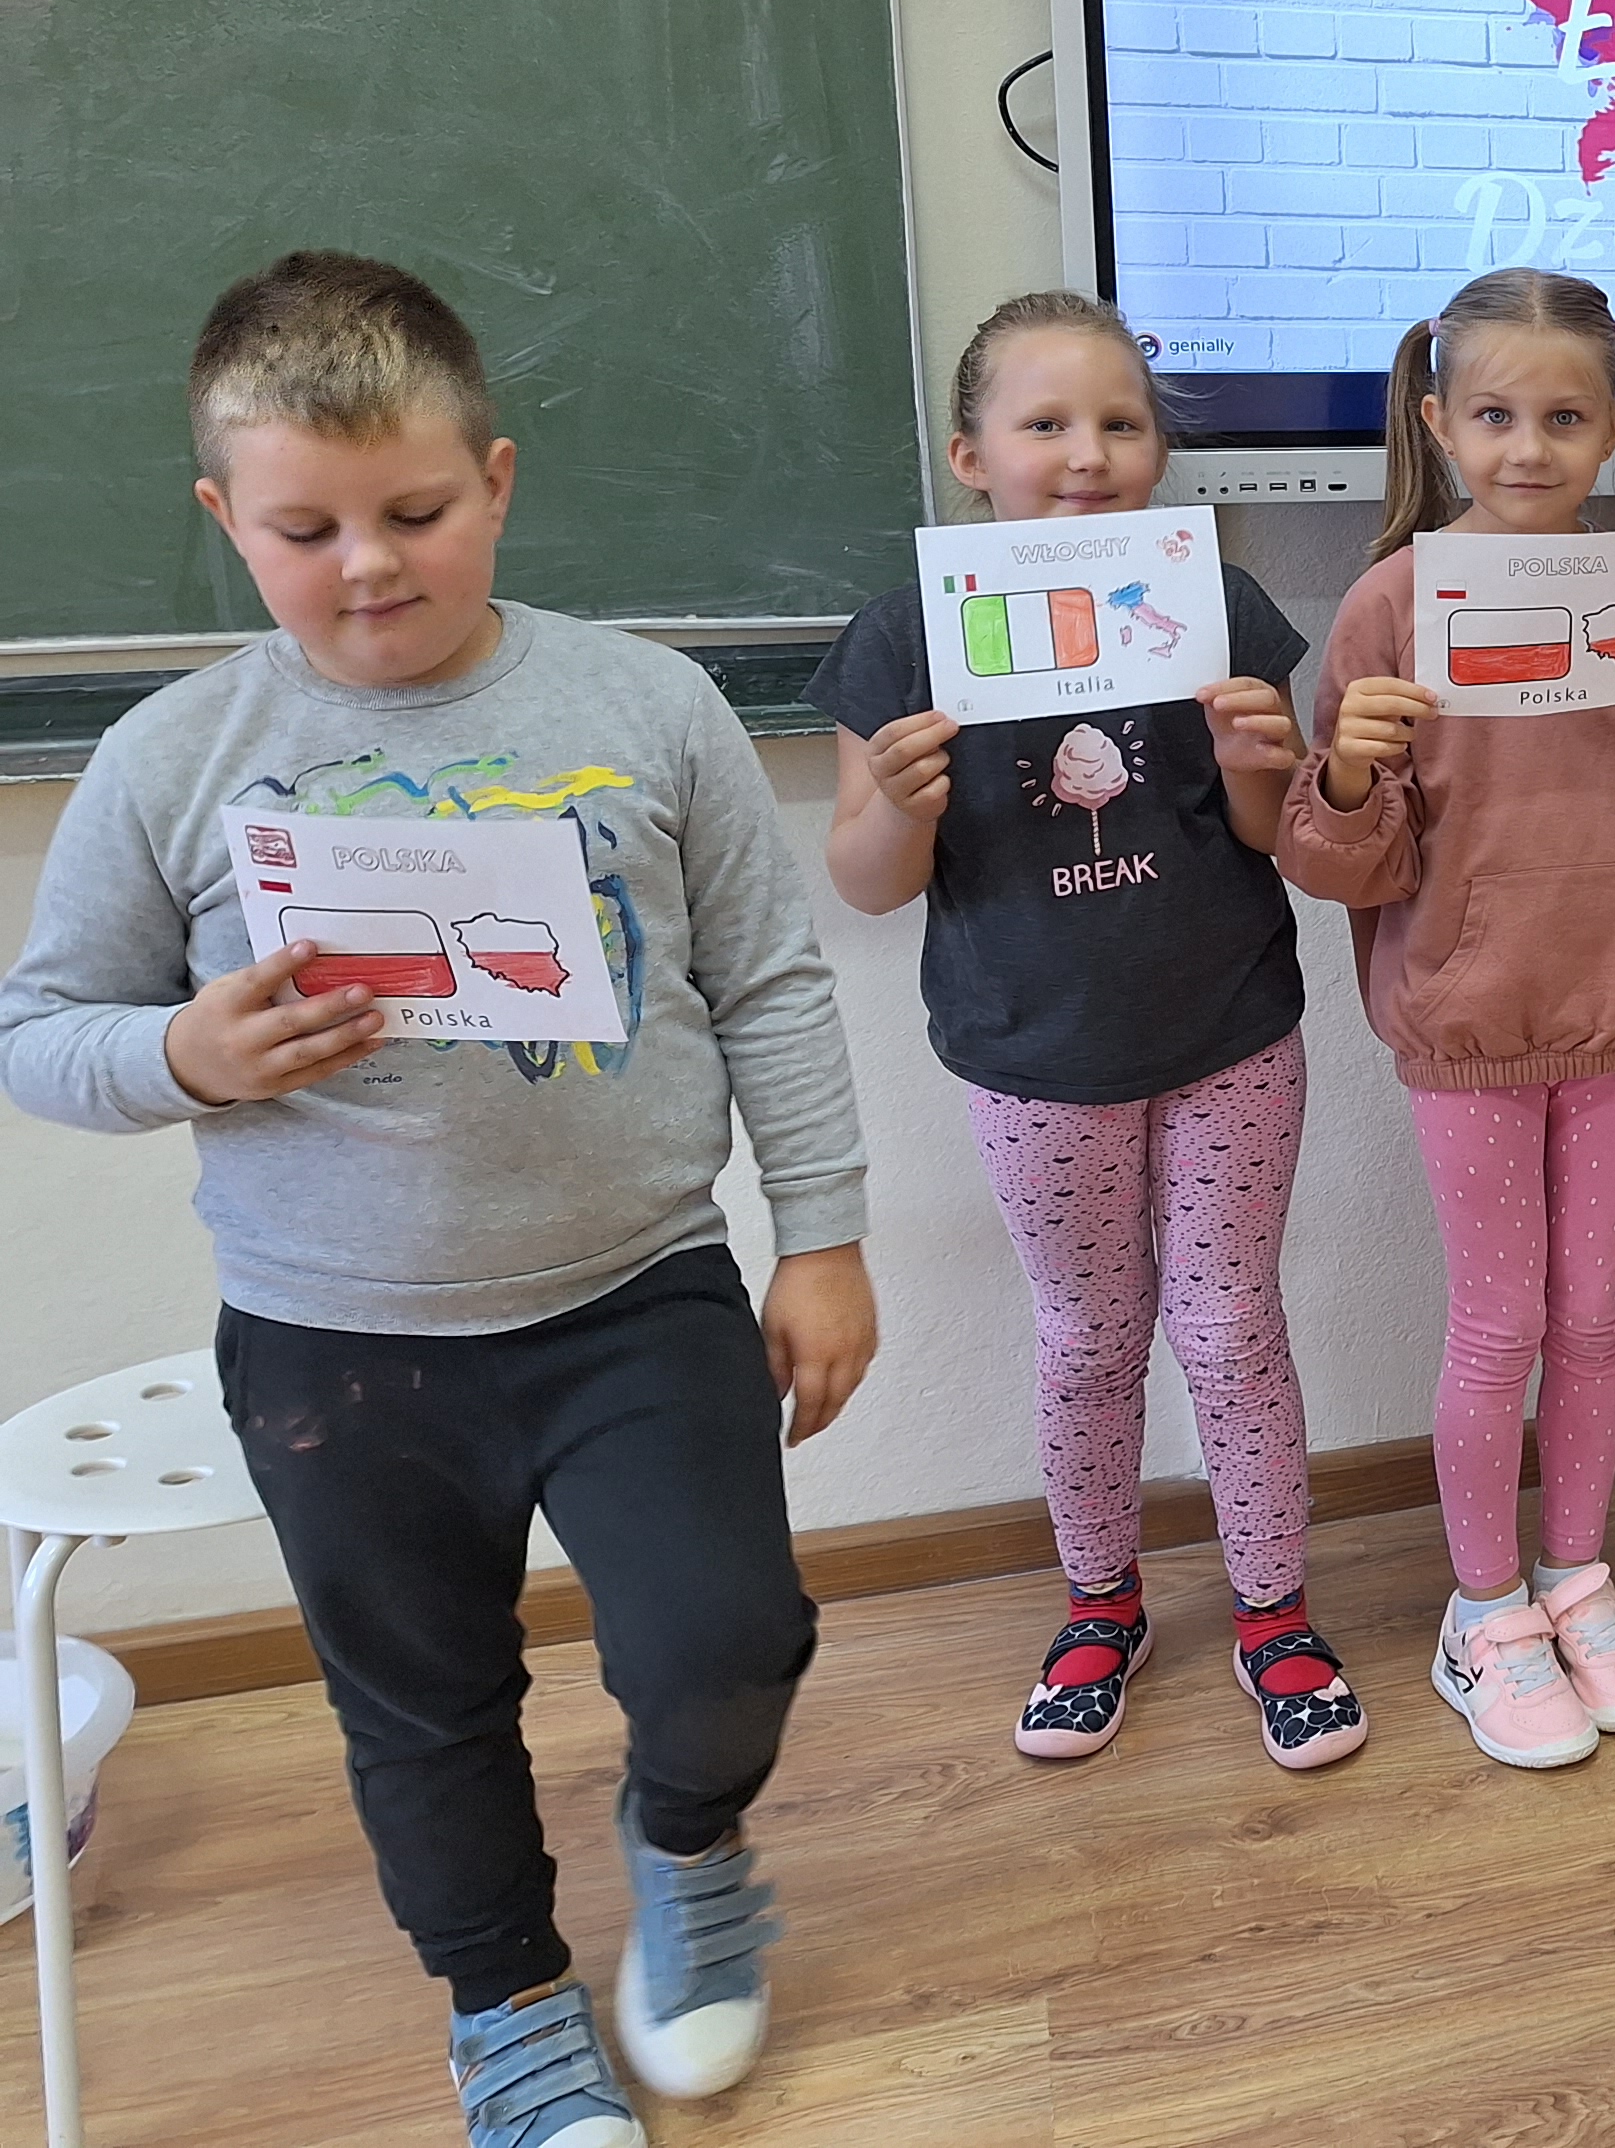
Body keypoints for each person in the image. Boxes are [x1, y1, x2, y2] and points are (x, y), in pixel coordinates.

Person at [0, 254, 875, 2148]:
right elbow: (40, 1033)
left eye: (414, 512)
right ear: (227, 519)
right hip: (337, 1339)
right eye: (305, 529)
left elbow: (770, 985)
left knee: (725, 1646)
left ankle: (690, 1844)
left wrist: (822, 1235)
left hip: (639, 1292)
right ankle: (508, 2009)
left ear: (494, 478)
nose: (368, 565)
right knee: (422, 1705)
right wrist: (184, 1055)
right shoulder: (173, 760)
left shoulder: (646, 704)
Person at [812, 292, 1359, 1773]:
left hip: (1231, 1033)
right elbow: (867, 882)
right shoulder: (904, 637)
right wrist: (897, 806)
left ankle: (1275, 1615)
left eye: (1121, 423)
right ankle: (1100, 1605)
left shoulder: (1214, 607)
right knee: (1088, 1337)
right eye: (1045, 424)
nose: (1087, 454)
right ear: (970, 454)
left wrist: (1263, 759)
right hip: (1034, 1059)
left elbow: (1275, 833)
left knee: (1232, 1327)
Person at [1277, 268, 1615, 1769]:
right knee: (1500, 1323)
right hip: (1469, 1025)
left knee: (1596, 1317)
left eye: (1565, 417)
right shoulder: (1391, 603)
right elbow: (1337, 861)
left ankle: (1576, 1578)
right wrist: (1348, 770)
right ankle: (1483, 1609)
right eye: (1494, 416)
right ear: (1438, 422)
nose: (1530, 447)